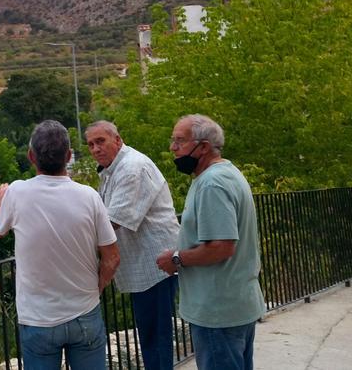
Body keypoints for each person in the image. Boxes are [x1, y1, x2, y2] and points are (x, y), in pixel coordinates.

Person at [0, 120, 120, 370]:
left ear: (31, 156)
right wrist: (97, 287)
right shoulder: (89, 197)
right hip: (85, 313)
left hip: (38, 319)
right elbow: (112, 257)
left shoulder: (17, 193)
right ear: (69, 156)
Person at [156, 115, 264, 370]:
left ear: (203, 146)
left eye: (180, 141)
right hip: (234, 305)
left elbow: (222, 246)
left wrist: (176, 258)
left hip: (218, 312)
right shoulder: (225, 174)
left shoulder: (212, 184)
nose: (173, 147)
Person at [86, 120, 181, 370]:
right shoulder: (112, 170)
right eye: (90, 144)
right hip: (144, 267)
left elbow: (111, 221)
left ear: (117, 140)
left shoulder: (132, 168)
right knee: (150, 334)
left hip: (156, 265)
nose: (95, 149)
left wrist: (73, 241)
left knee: (156, 335)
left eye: (100, 141)